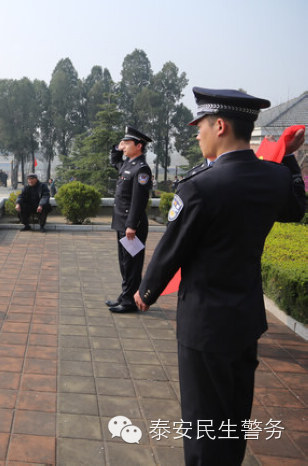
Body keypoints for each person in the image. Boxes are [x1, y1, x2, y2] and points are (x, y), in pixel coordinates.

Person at [133, 88, 305, 465]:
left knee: (203, 425)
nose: (198, 135)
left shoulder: (200, 185)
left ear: (221, 126)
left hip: (205, 323)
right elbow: (295, 210)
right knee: (233, 419)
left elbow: (172, 247)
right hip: (246, 319)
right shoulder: (274, 177)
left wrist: (146, 290)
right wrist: (288, 157)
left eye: (202, 127)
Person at [106, 126, 153, 313]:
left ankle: (129, 302)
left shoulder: (141, 169)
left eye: (127, 143)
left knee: (132, 264)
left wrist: (132, 225)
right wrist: (117, 147)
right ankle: (126, 295)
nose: (123, 146)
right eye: (122, 143)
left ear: (139, 146)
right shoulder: (128, 164)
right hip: (122, 223)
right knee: (124, 263)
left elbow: (139, 201)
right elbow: (114, 160)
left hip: (132, 226)